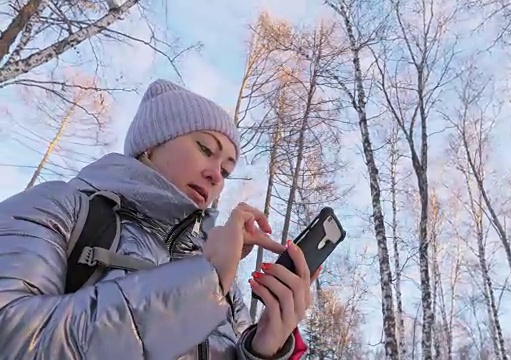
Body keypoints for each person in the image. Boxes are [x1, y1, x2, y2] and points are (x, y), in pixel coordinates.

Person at [0, 79, 317, 359]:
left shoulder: (219, 273)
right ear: (151, 145)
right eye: (206, 149)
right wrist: (204, 282)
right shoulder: (61, 206)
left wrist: (264, 348)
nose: (215, 175)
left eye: (226, 170)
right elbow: (12, 336)